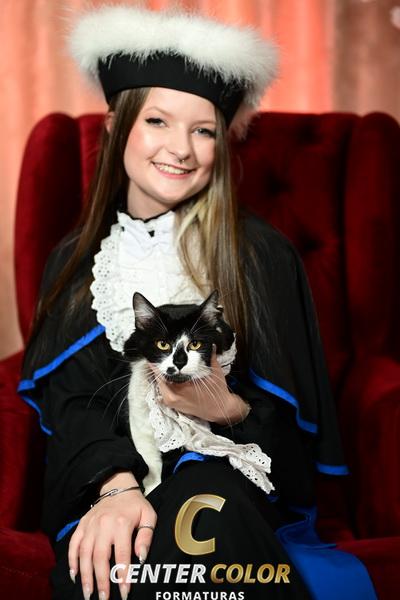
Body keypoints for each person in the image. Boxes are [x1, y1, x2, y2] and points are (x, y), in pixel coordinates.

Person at [18, 5, 377, 600]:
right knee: (112, 555)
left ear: (222, 143)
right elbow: (74, 405)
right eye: (158, 120)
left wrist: (226, 408)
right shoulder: (75, 263)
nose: (180, 148)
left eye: (203, 130)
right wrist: (115, 489)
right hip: (108, 481)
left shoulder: (260, 253)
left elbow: (285, 427)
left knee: (201, 517)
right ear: (116, 125)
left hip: (230, 476)